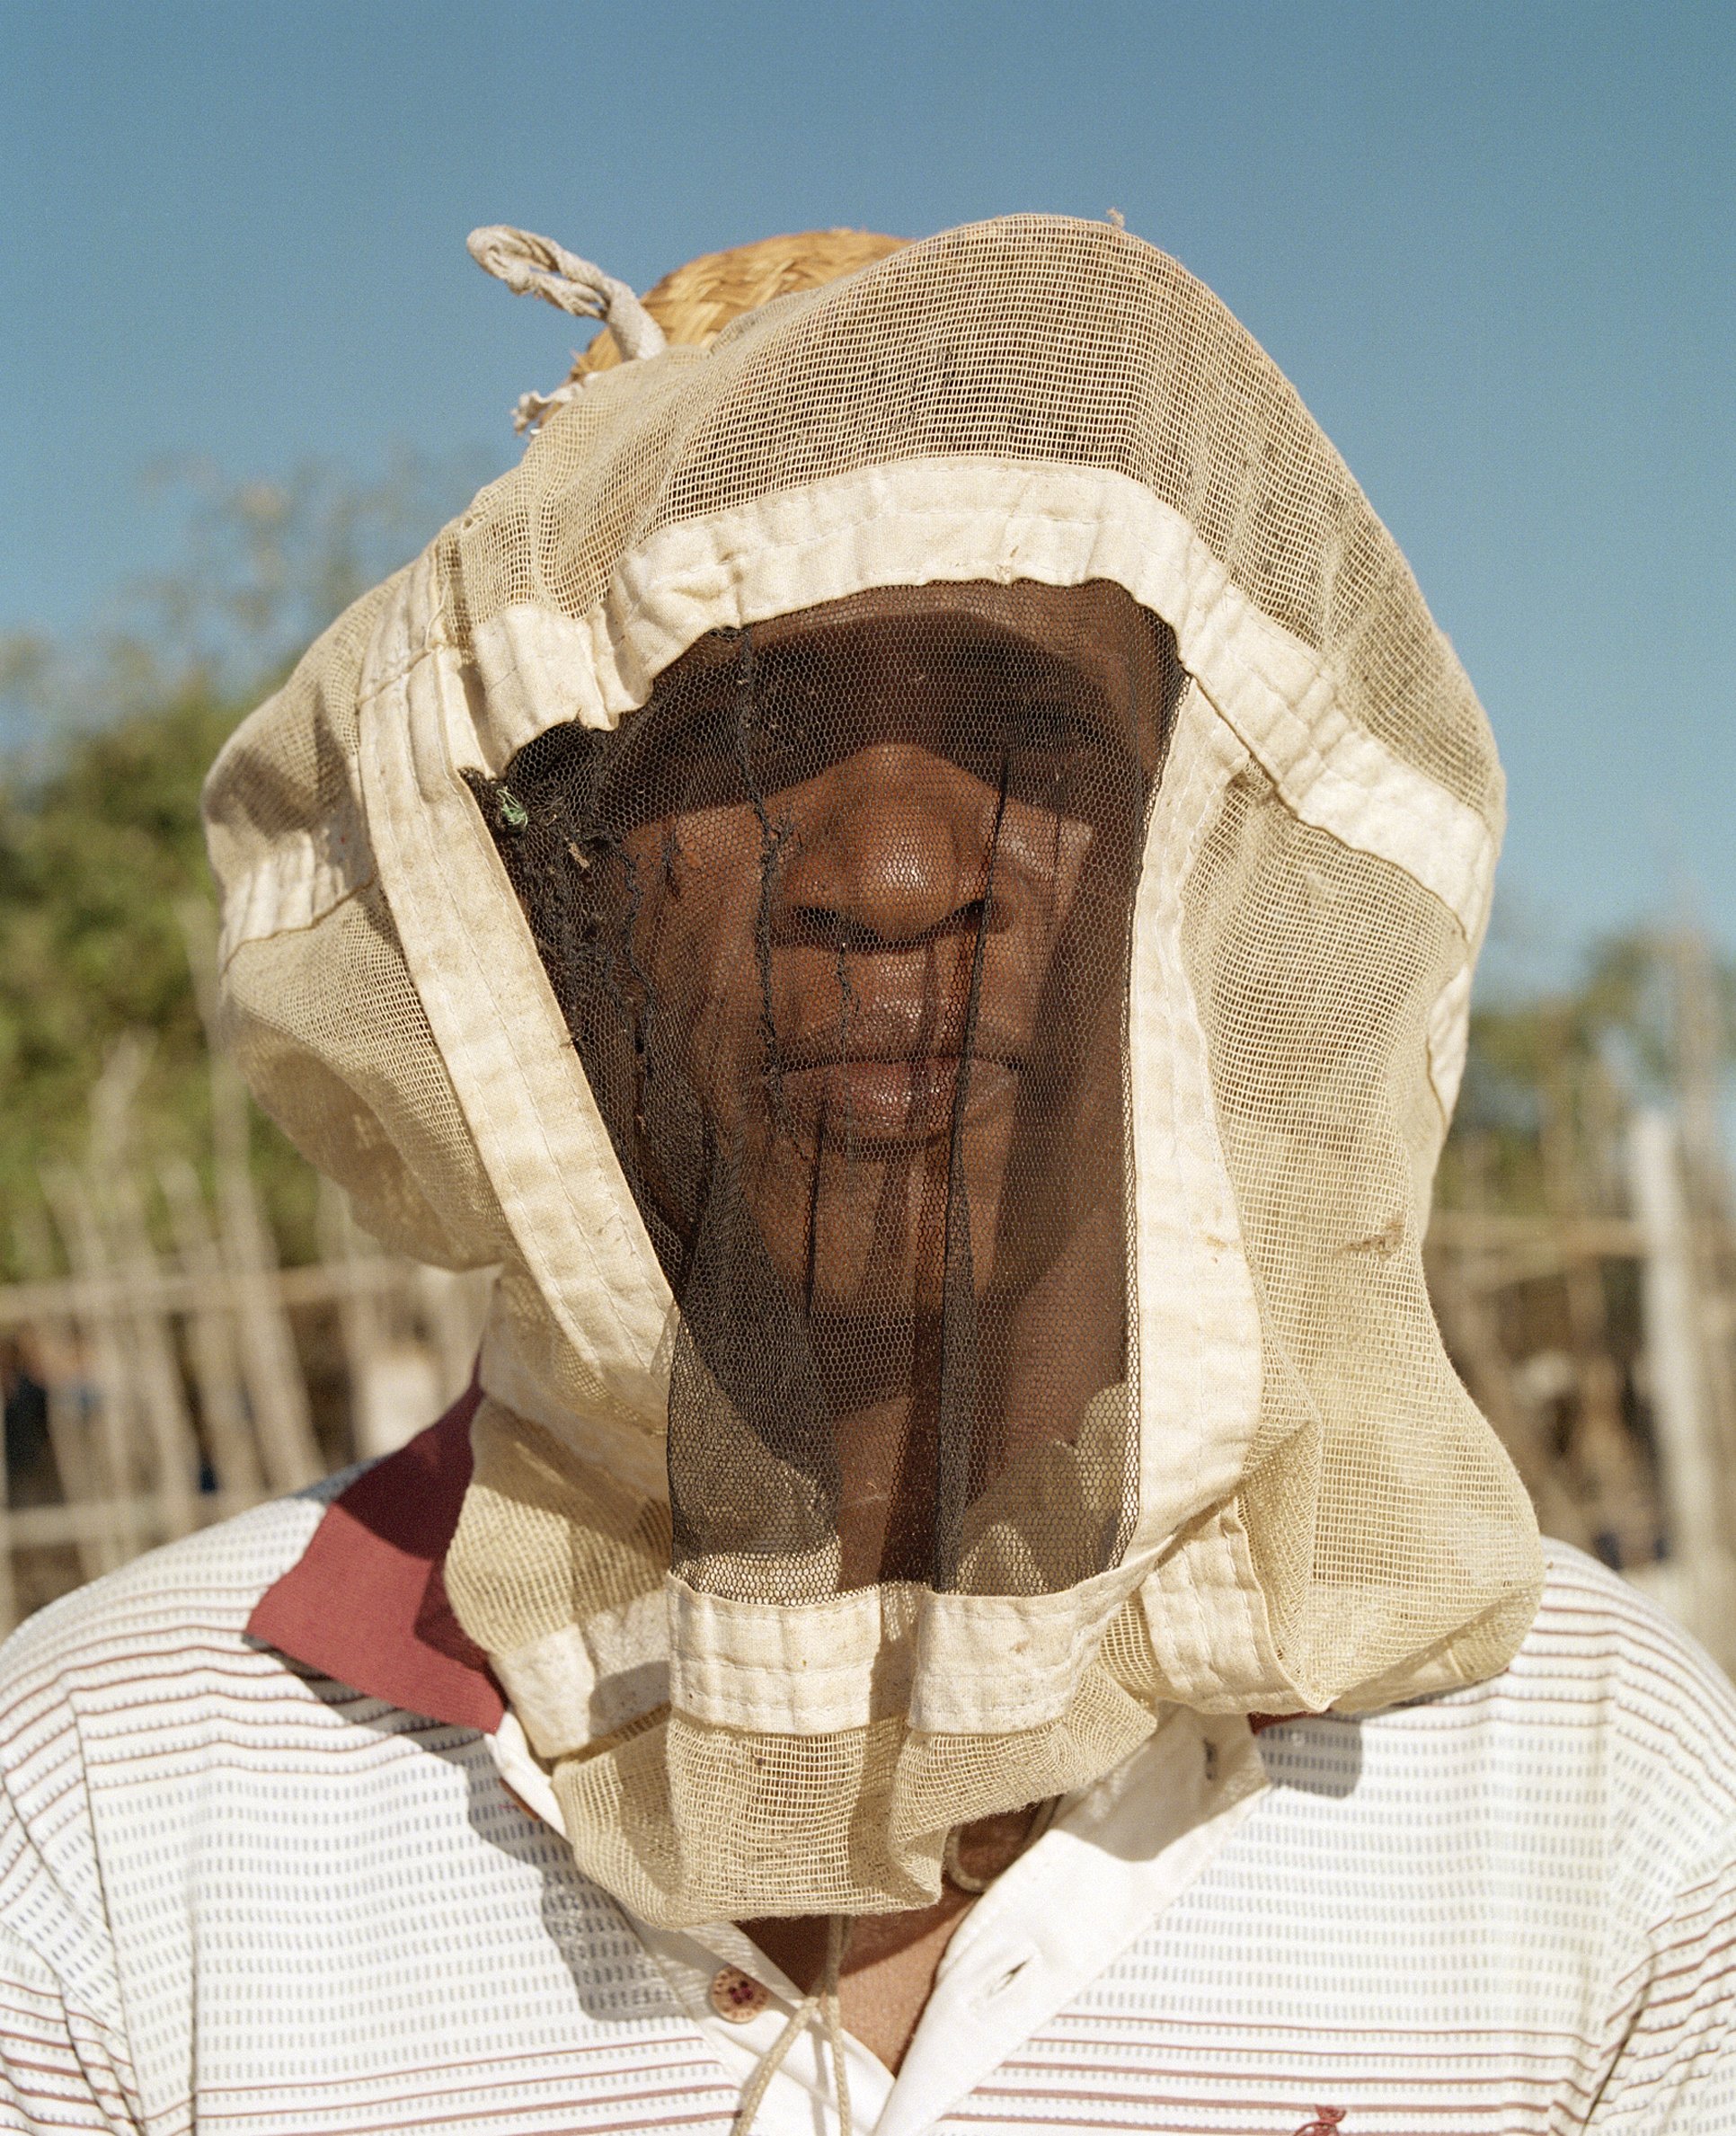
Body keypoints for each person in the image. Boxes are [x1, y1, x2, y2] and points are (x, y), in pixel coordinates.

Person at [0, 216, 1731, 2134]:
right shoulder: (112, 1783)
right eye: (742, 740)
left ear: (1203, 874)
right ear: (556, 901)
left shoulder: (1586, 1773)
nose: (894, 877)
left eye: (1024, 736)